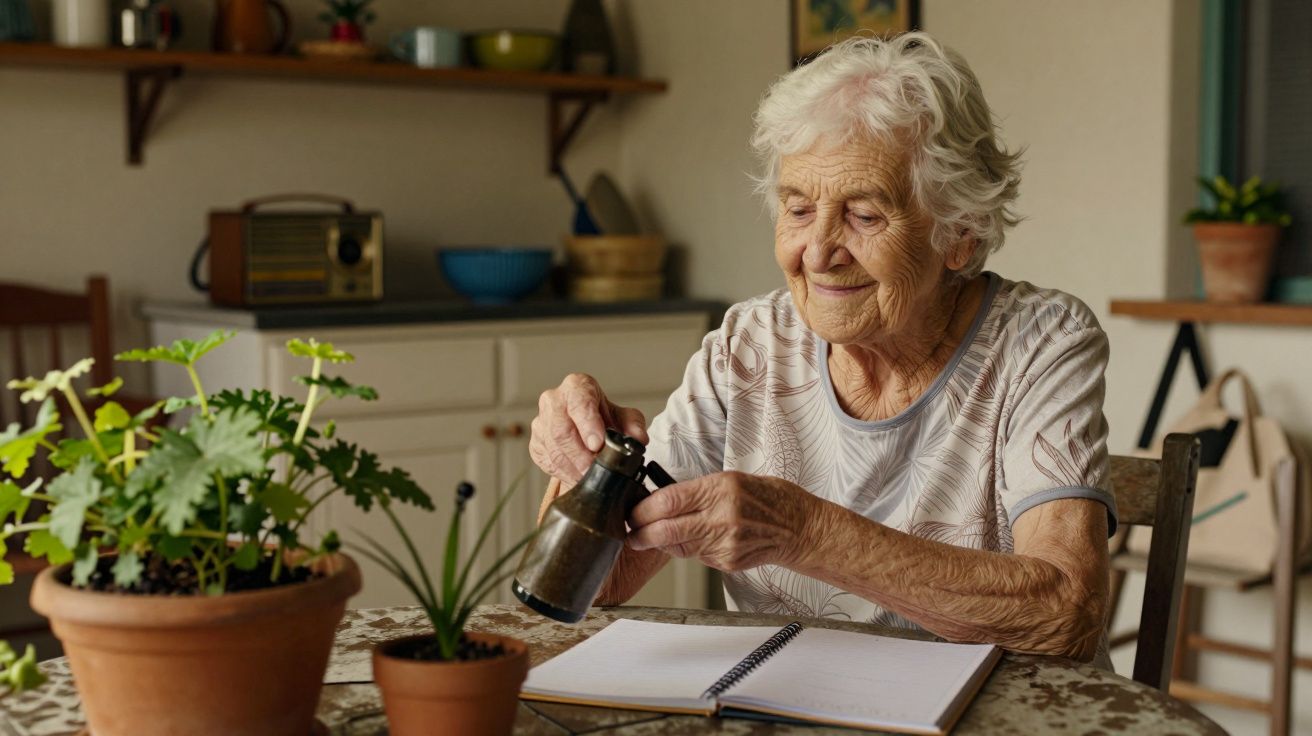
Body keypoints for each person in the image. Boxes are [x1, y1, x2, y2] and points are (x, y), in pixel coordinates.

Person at [529, 32, 1115, 664]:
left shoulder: (1041, 342)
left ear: (961, 235)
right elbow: (600, 588)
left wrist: (801, 532)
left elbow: (1065, 613)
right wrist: (585, 467)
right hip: (786, 710)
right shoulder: (750, 347)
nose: (817, 252)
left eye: (864, 216)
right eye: (799, 209)